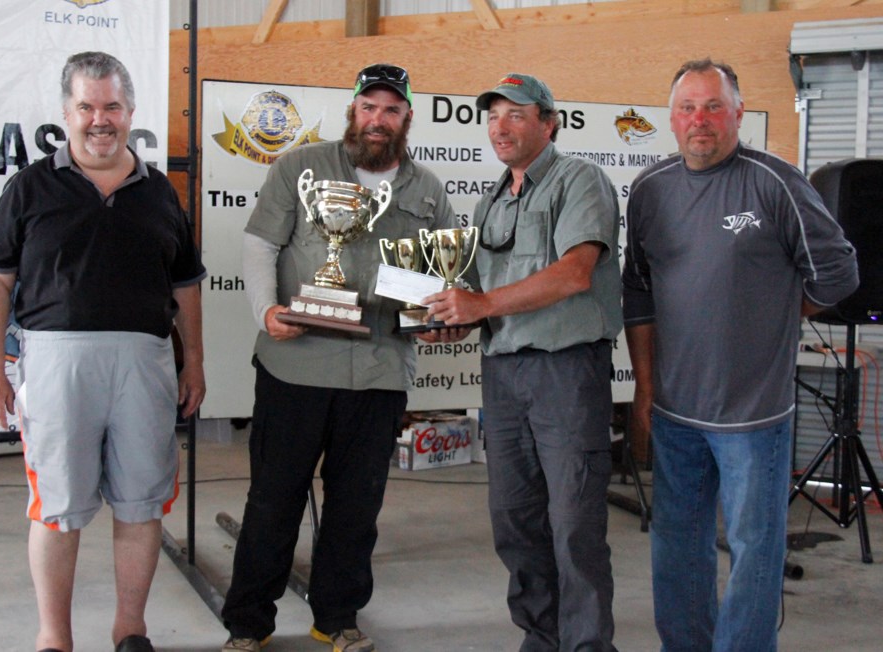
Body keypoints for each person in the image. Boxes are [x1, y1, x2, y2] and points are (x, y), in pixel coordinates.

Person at [220, 63, 460, 652]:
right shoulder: (300, 167)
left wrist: (431, 324)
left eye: (392, 110)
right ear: (354, 111)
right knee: (274, 502)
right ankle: (249, 625)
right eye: (369, 107)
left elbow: (439, 278)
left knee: (356, 508)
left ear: (408, 118)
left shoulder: (427, 190)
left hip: (380, 371)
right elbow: (260, 243)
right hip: (297, 364)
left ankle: (338, 617)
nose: (379, 120)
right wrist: (264, 311)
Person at [621, 58, 859, 652]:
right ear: (671, 119)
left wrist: (781, 311)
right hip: (677, 415)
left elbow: (838, 271)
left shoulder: (775, 183)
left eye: (714, 107)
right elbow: (639, 295)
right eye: (688, 108)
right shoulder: (650, 191)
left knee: (756, 550)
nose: (700, 120)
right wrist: (645, 391)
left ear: (739, 113)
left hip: (754, 419)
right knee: (677, 546)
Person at [0, 51, 206, 652]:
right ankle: (55, 638)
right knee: (57, 507)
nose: (99, 119)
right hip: (55, 365)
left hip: (145, 365)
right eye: (86, 107)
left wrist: (197, 363)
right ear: (65, 113)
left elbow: (185, 287)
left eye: (111, 107)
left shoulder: (159, 192)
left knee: (142, 503)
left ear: (130, 112)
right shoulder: (29, 188)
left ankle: (131, 630)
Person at [424, 73, 622, 651]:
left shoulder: (578, 179)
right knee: (514, 520)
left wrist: (482, 303)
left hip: (566, 374)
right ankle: (542, 636)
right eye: (492, 116)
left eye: (515, 115)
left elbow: (574, 273)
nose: (499, 127)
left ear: (548, 122)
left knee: (575, 526)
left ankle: (587, 645)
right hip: (505, 375)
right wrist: (456, 318)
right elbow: (485, 291)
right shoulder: (490, 199)